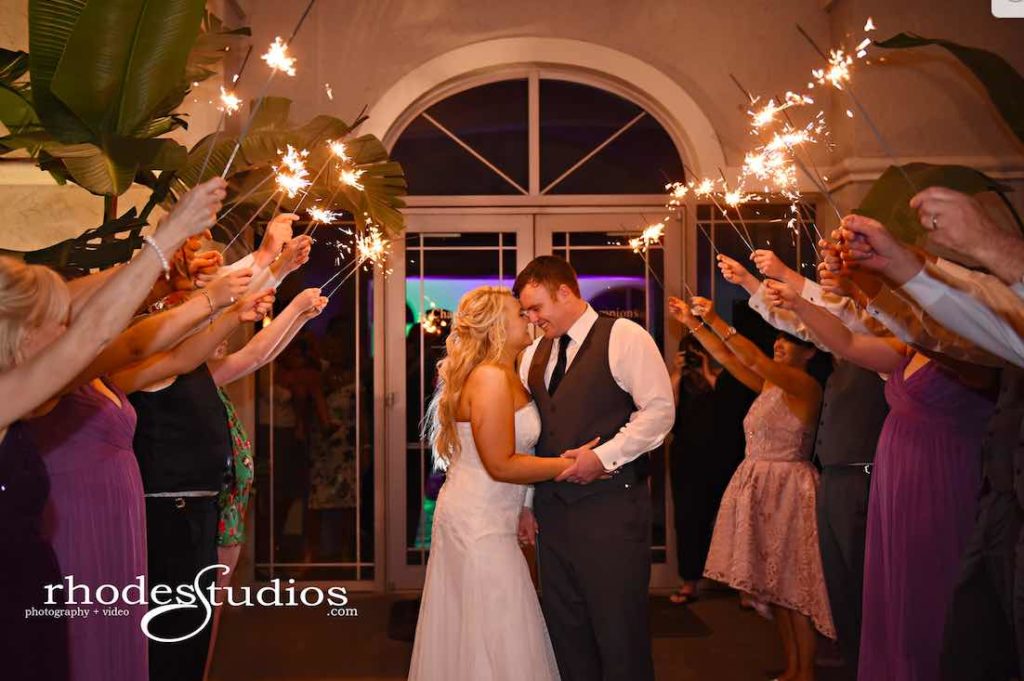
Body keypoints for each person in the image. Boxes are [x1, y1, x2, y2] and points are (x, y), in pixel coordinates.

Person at [766, 276, 996, 681]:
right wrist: (800, 304)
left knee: (930, 592)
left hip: (938, 477)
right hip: (895, 483)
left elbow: (963, 367)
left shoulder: (968, 350)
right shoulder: (907, 349)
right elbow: (848, 343)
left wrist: (866, 293)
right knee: (892, 596)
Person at [718, 250, 889, 676]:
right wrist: (749, 286)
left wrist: (785, 278)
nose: (783, 341)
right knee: (813, 588)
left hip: (851, 479)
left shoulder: (871, 344)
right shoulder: (839, 351)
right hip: (829, 478)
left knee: (839, 586)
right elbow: (791, 327)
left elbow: (824, 324)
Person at [408, 285, 583, 681]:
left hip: (496, 515)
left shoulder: (509, 374)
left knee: (493, 621)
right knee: (494, 622)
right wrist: (568, 465)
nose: (529, 319)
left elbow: (510, 451)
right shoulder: (488, 378)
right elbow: (501, 463)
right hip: (477, 522)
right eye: (519, 314)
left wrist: (524, 504)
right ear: (497, 327)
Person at [514, 256, 674, 681]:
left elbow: (658, 412)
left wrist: (602, 458)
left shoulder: (624, 336)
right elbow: (533, 437)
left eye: (536, 308)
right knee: (566, 634)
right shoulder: (532, 354)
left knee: (619, 634)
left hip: (611, 511)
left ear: (565, 292)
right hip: (552, 513)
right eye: (525, 312)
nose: (531, 319)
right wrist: (527, 503)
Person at [674, 294, 834, 681]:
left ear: (810, 352)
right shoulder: (770, 385)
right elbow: (731, 360)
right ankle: (792, 669)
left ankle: (806, 673)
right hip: (764, 489)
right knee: (777, 590)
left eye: (789, 340)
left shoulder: (805, 386)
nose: (778, 344)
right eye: (777, 338)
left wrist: (714, 316)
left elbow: (751, 358)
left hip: (789, 491)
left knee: (795, 590)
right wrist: (694, 326)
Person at [665, 329, 755, 606]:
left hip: (725, 455)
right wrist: (679, 373)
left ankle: (743, 585)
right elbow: (667, 411)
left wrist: (707, 371)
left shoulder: (730, 375)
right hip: (688, 456)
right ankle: (689, 581)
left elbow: (731, 406)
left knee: (733, 520)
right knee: (689, 519)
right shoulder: (680, 379)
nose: (695, 357)